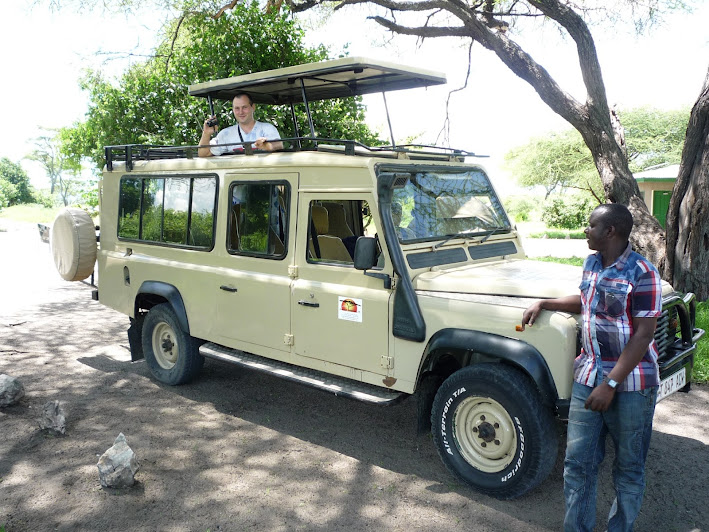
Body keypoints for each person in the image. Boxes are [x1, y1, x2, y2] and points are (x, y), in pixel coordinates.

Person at [521, 203, 662, 532]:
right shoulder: (592, 263)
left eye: (591, 226)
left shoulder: (643, 273)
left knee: (628, 468)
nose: (586, 230)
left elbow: (643, 336)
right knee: (578, 463)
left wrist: (610, 384)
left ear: (609, 231)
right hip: (588, 375)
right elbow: (587, 301)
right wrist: (545, 303)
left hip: (631, 385)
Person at [198, 93, 283, 157]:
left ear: (253, 107)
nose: (241, 112)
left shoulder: (267, 128)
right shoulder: (226, 134)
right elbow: (203, 154)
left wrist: (266, 146)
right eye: (237, 108)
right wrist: (206, 133)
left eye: (244, 107)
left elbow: (279, 146)